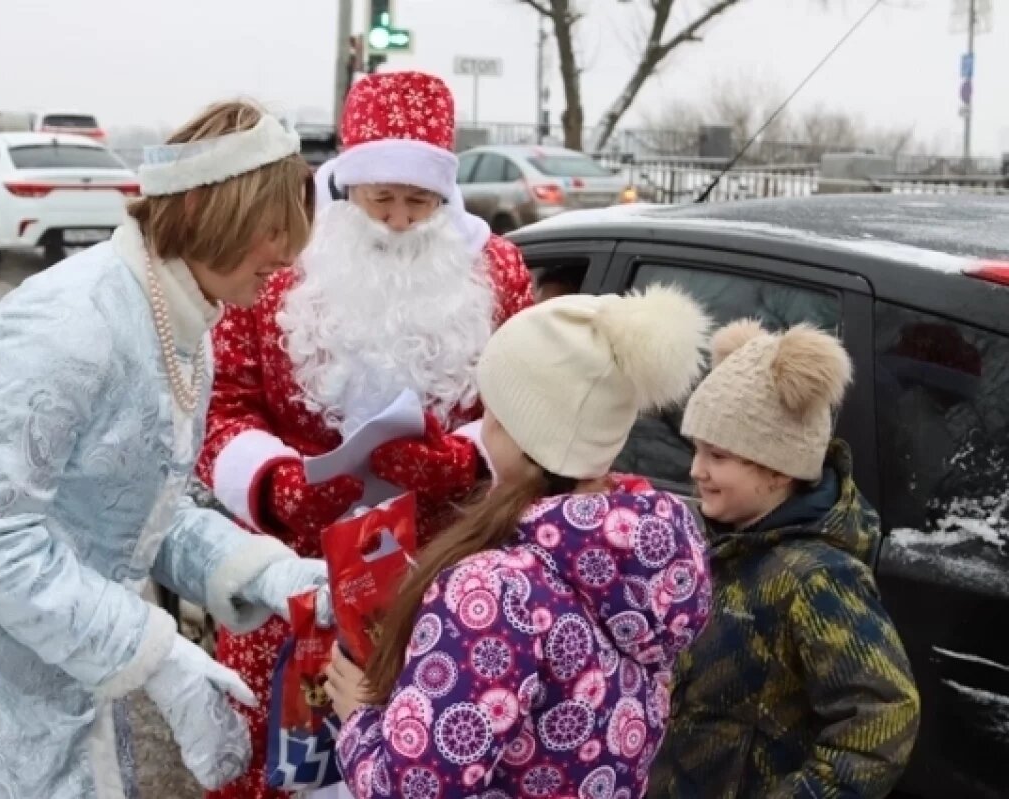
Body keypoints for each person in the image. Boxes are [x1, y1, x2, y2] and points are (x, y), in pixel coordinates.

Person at [0, 102, 330, 799]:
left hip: (50, 666)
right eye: (274, 231)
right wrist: (155, 653)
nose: (287, 257)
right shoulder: (66, 323)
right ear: (213, 211)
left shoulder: (184, 328)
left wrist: (265, 572)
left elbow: (142, 506)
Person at [197, 71, 533, 799]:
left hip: (442, 578)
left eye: (420, 200)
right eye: (381, 198)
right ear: (346, 188)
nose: (400, 218)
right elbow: (221, 405)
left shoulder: (497, 270)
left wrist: (464, 460)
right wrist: (275, 486)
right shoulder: (281, 265)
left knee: (422, 752)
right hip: (292, 575)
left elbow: (533, 411)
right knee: (275, 755)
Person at [323, 286, 715, 798]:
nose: (481, 430)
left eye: (493, 414)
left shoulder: (497, 592)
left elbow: (416, 786)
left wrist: (359, 721)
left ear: (519, 432)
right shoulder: (649, 556)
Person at [649, 320, 921, 798]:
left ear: (777, 469)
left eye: (717, 455)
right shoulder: (725, 545)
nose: (696, 470)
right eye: (697, 449)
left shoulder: (818, 578)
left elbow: (883, 718)